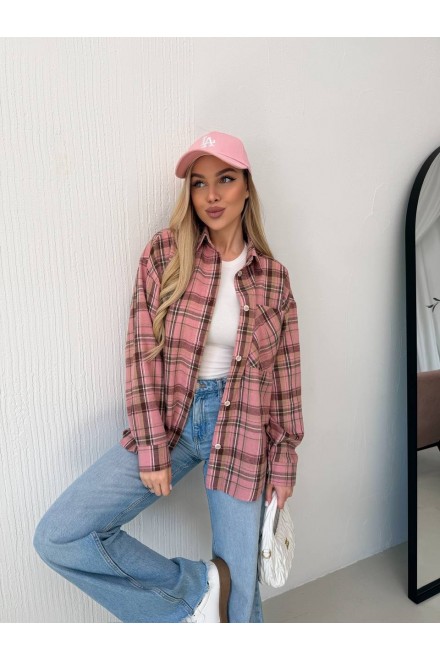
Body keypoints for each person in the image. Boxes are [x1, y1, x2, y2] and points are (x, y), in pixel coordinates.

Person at [33, 130, 304, 623]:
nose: (212, 195)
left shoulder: (274, 279)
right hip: (172, 418)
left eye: (225, 179)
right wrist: (152, 447)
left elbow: (286, 379)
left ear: (247, 186)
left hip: (243, 428)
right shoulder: (165, 253)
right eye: (199, 183)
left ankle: (222, 604)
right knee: (60, 535)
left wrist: (283, 462)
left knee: (241, 598)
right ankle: (196, 590)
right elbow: (141, 354)